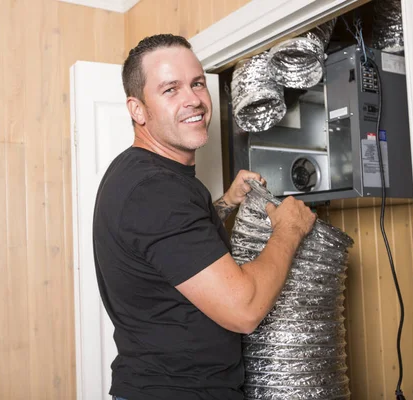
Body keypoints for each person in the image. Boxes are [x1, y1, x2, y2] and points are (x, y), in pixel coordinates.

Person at [92, 34, 316, 400]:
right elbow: (245, 309)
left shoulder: (139, 173)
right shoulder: (156, 190)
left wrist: (226, 203)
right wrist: (288, 230)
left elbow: (168, 251)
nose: (193, 99)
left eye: (197, 83)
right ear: (137, 109)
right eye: (171, 89)